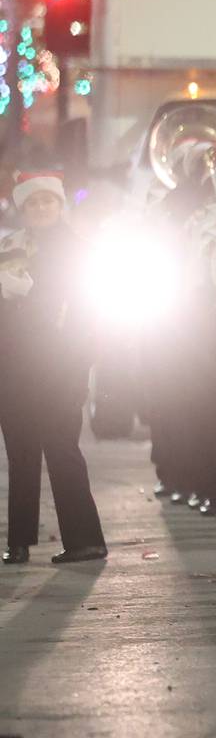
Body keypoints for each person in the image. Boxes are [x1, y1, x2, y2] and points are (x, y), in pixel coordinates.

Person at [0, 172, 107, 565]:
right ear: (23, 209)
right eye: (33, 203)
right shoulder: (9, 246)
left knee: (62, 449)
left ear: (60, 206)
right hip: (13, 368)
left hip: (60, 368)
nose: (42, 209)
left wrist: (32, 294)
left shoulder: (79, 249)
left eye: (49, 202)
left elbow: (89, 312)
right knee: (21, 454)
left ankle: (86, 540)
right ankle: (20, 542)